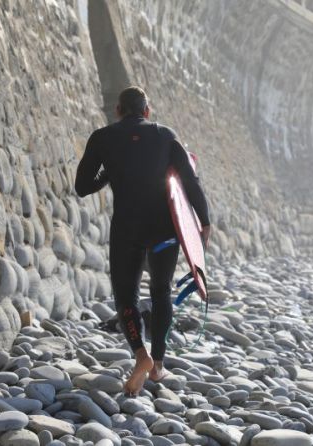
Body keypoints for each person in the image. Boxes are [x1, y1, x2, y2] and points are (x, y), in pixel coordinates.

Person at [75, 86, 210, 396]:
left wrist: (108, 174)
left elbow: (82, 187)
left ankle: (140, 355)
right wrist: (204, 222)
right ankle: (159, 363)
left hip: (127, 230)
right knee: (161, 290)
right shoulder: (165, 135)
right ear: (147, 112)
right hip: (164, 230)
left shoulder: (102, 137)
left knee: (126, 298)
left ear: (118, 111)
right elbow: (189, 181)